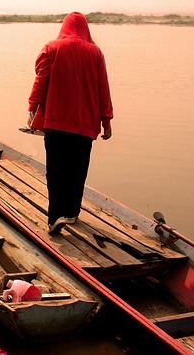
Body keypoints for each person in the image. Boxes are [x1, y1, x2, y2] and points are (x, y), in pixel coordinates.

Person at [27, 12, 113, 235]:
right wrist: (107, 121)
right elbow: (103, 88)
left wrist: (32, 107)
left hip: (56, 122)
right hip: (85, 125)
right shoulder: (96, 53)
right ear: (86, 29)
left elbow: (41, 81)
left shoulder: (51, 48)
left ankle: (55, 216)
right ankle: (72, 213)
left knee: (56, 171)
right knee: (78, 170)